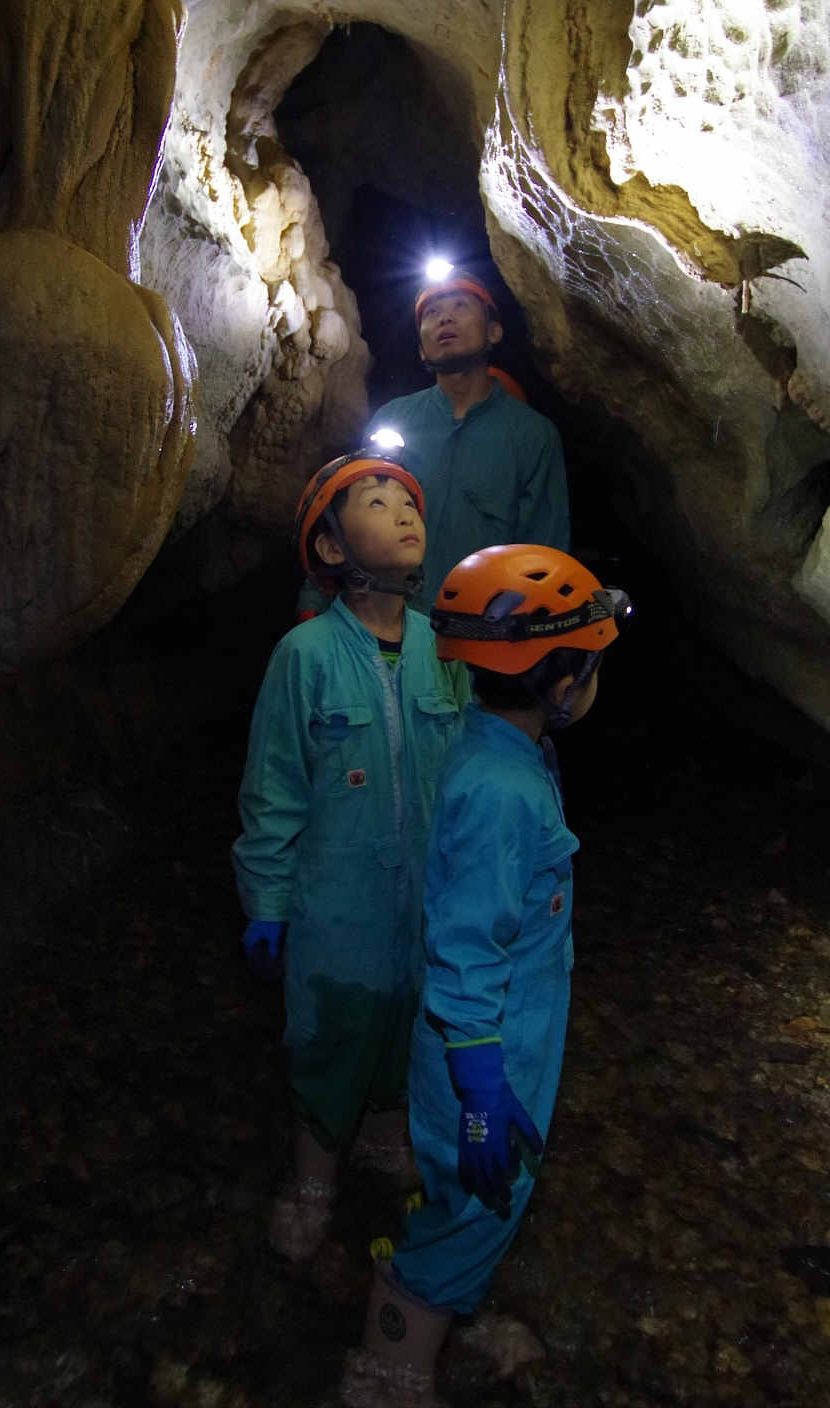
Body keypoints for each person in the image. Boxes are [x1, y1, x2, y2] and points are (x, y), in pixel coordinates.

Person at [341, 544, 628, 1405]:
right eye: (593, 661)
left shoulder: (505, 749)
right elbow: (467, 950)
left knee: (470, 1205)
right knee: (478, 1208)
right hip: (487, 1053)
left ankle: (436, 1310)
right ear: (563, 682)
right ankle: (389, 1364)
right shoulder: (504, 791)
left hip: (505, 1038)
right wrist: (481, 1094)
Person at [232, 453, 471, 1263]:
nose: (406, 510)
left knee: (407, 1022)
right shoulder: (303, 658)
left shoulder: (446, 650)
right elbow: (273, 791)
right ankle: (312, 1176)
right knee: (332, 1033)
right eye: (378, 501)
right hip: (338, 906)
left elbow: (466, 777)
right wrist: (266, 905)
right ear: (332, 549)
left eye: (410, 499)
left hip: (423, 906)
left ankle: (379, 1136)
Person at [367, 271, 569, 603]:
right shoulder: (392, 419)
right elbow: (354, 518)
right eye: (431, 313)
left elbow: (543, 555)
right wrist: (317, 601)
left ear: (494, 331)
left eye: (460, 305)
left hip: (482, 637)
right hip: (391, 633)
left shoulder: (533, 436)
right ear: (421, 348)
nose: (444, 317)